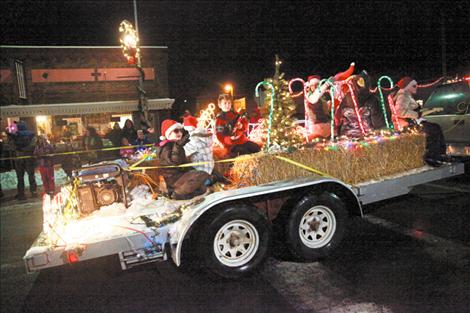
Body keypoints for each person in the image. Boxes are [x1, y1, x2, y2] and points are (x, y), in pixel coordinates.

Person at [394, 76, 447, 166]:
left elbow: (416, 111)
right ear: (407, 87)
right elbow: (399, 111)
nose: (416, 87)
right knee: (433, 129)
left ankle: (439, 155)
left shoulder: (407, 95)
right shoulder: (403, 95)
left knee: (435, 127)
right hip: (408, 125)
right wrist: (416, 115)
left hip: (413, 123)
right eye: (414, 86)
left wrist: (432, 109)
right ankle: (432, 156)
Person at [158, 119, 210, 200]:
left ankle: (182, 193)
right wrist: (178, 146)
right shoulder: (166, 147)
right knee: (203, 174)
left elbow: (182, 162)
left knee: (202, 188)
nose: (179, 133)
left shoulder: (174, 145)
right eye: (176, 131)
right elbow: (174, 162)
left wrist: (190, 169)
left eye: (180, 130)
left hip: (179, 175)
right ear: (168, 134)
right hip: (173, 178)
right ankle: (177, 193)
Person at [7, 121, 37, 200]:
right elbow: (33, 145)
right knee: (31, 175)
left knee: (20, 177)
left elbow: (11, 146)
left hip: (19, 158)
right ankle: (33, 191)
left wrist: (19, 149)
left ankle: (21, 193)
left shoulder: (15, 135)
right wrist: (25, 150)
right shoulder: (31, 135)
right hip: (28, 158)